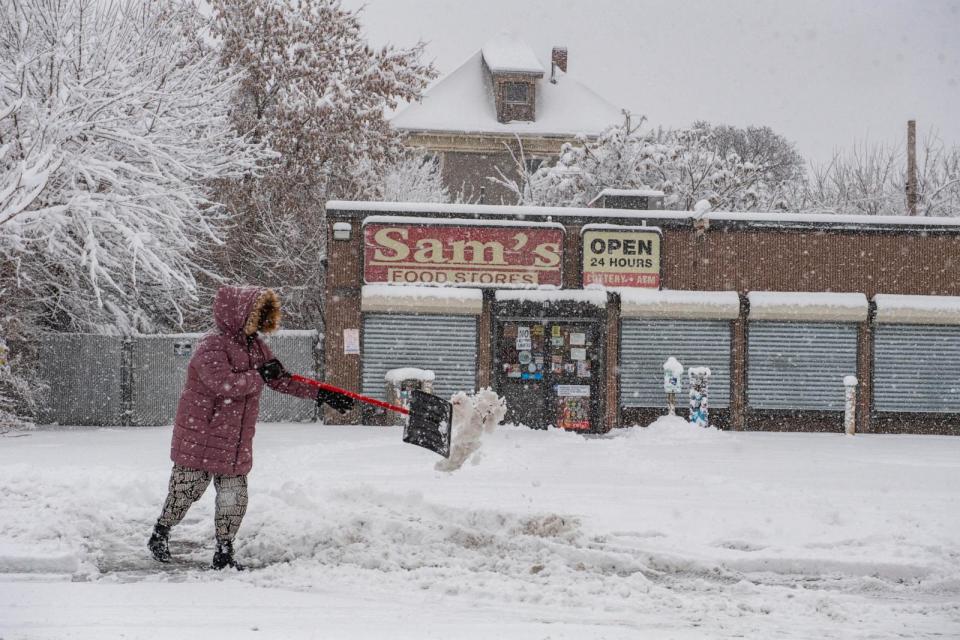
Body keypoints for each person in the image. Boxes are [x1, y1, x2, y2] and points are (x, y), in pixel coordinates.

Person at [147, 286, 353, 569]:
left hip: (235, 439)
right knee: (185, 492)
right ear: (237, 315)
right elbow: (224, 384)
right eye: (255, 317)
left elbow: (281, 379)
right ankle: (161, 531)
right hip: (201, 436)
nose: (258, 324)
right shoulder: (212, 346)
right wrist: (258, 375)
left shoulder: (255, 346)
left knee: (234, 498)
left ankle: (224, 552)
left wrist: (322, 393)